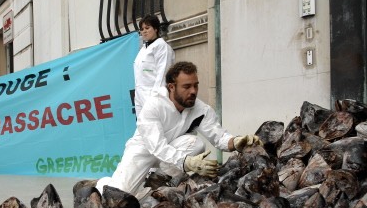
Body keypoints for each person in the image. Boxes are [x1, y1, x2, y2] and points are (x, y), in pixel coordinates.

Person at [97, 61, 261, 196]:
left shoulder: (200, 109)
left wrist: (237, 141)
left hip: (171, 154)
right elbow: (157, 146)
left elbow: (219, 137)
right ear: (171, 87)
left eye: (196, 86)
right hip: (143, 151)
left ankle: (161, 179)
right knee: (117, 196)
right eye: (187, 86)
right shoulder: (153, 106)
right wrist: (187, 162)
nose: (193, 91)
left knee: (196, 143)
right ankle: (102, 184)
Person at [133, 14, 175, 115]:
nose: (144, 31)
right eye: (142, 29)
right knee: (142, 126)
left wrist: (155, 98)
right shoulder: (143, 49)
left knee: (155, 126)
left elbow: (163, 74)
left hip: (153, 95)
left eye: (147, 28)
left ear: (156, 29)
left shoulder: (161, 47)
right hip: (139, 95)